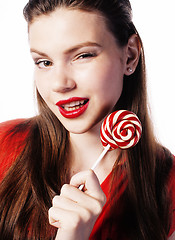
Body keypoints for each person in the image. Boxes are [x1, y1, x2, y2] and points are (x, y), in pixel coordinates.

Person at [0, 0, 174, 239]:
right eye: (44, 62)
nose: (60, 84)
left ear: (130, 56)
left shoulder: (168, 182)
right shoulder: (4, 145)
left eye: (83, 55)